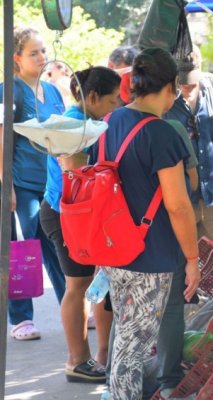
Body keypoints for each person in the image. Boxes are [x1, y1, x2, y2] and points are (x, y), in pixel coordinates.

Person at [89, 47, 200, 400]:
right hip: (150, 256)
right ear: (170, 87)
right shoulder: (162, 134)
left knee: (126, 334)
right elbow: (179, 206)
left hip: (114, 250)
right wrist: (193, 259)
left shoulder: (108, 122)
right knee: (133, 347)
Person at [39, 66, 121, 382]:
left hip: (80, 215)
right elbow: (73, 172)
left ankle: (99, 355)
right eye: (112, 100)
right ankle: (77, 360)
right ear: (92, 97)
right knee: (77, 287)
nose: (116, 106)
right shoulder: (73, 126)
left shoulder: (88, 121)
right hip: (65, 215)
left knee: (92, 283)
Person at [0, 26, 66, 341]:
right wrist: (7, 185)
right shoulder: (8, 90)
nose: (42, 57)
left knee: (59, 244)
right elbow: (2, 140)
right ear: (16, 58)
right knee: (22, 250)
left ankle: (72, 303)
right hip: (22, 182)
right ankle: (21, 318)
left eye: (43, 51)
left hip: (52, 182)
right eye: (33, 53)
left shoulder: (52, 90)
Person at [164, 52, 213, 249]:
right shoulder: (162, 96)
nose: (186, 86)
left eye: (191, 80)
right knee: (181, 263)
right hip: (180, 198)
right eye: (181, 82)